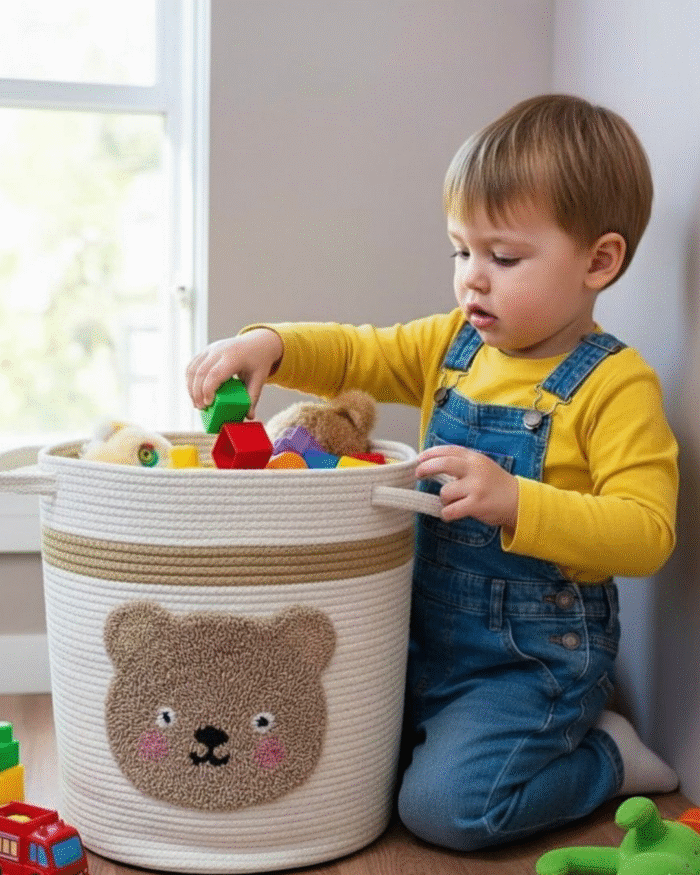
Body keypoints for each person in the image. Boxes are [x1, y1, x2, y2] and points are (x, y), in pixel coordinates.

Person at [187, 94, 679, 851]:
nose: (472, 280)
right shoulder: (454, 344)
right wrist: (270, 345)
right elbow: (358, 352)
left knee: (445, 809)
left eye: (503, 258)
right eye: (461, 251)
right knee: (332, 768)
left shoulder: (616, 384)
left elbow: (647, 533)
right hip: (419, 639)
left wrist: (519, 500)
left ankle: (606, 756)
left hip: (530, 664)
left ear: (599, 260)